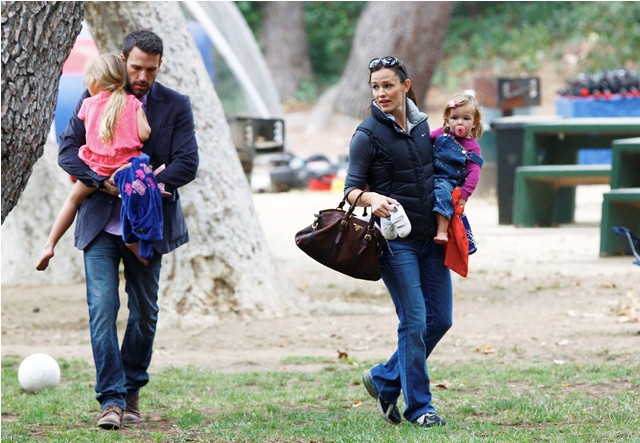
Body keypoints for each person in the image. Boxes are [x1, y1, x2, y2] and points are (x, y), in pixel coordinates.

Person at [58, 30, 199, 430]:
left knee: (145, 313)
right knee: (102, 309)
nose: (142, 76)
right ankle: (111, 399)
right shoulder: (93, 97)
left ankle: (132, 388)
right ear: (123, 61)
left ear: (160, 65)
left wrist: (143, 183)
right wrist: (101, 180)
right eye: (136, 68)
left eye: (151, 70)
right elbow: (67, 151)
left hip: (148, 230)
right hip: (99, 225)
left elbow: (187, 163)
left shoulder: (175, 105)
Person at [344, 56, 452, 428]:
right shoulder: (367, 134)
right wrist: (371, 198)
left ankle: (385, 379)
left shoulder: (423, 126)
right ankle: (420, 408)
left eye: (388, 85)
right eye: (375, 87)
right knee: (415, 320)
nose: (381, 93)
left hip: (431, 239)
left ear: (405, 86)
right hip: (395, 242)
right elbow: (351, 190)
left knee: (440, 320)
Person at [36, 53, 153, 271]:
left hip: (97, 167)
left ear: (95, 82)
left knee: (73, 201)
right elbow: (145, 134)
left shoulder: (88, 104)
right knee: (141, 197)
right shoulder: (132, 103)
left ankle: (49, 244)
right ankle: (133, 241)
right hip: (126, 167)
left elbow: (86, 132)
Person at [431, 94, 483, 244]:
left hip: (449, 180)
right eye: (455, 118)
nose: (459, 122)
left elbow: (474, 174)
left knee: (442, 194)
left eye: (466, 118)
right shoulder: (440, 134)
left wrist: (464, 195)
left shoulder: (473, 148)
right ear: (447, 120)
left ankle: (442, 231)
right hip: (432, 172)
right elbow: (424, 141)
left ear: (474, 123)